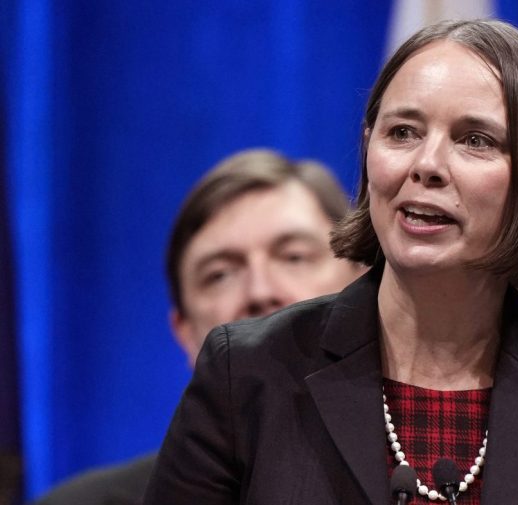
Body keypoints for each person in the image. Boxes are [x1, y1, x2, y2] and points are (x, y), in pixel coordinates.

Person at [144, 19, 518, 504]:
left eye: (475, 140)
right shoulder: (249, 373)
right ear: (368, 149)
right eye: (402, 132)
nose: (426, 165)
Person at [31, 149, 364, 505]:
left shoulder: (420, 474)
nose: (260, 291)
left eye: (294, 256)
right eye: (219, 274)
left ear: (364, 284)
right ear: (184, 332)